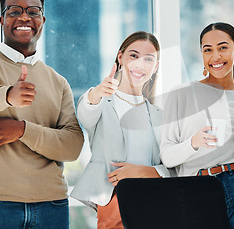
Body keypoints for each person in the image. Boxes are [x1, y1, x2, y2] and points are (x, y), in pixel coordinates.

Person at [0, 0, 84, 228]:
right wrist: (9, 95)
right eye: (14, 11)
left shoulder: (58, 81)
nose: (24, 17)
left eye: (33, 11)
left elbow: (72, 146)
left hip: (51, 204)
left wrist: (22, 130)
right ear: (2, 20)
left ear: (42, 20)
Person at [160, 22, 234, 229]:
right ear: (201, 55)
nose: (216, 56)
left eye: (223, 47)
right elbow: (167, 156)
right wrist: (193, 143)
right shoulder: (181, 95)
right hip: (196, 188)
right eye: (208, 50)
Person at [71, 31, 173, 228]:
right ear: (120, 57)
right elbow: (86, 112)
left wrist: (147, 171)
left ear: (155, 67)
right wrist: (97, 91)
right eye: (133, 56)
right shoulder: (102, 102)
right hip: (114, 200)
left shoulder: (160, 115)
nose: (139, 65)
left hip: (155, 201)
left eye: (148, 59)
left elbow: (173, 166)